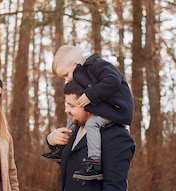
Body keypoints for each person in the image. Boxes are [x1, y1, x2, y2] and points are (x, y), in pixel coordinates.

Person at [42, 45, 134, 181]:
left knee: (92, 123)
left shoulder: (98, 66)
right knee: (72, 120)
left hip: (117, 109)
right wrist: (52, 141)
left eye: (66, 75)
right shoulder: (83, 77)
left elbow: (113, 80)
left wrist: (91, 94)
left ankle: (94, 163)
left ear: (76, 64)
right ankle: (61, 149)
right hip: (104, 106)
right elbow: (71, 162)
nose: (67, 79)